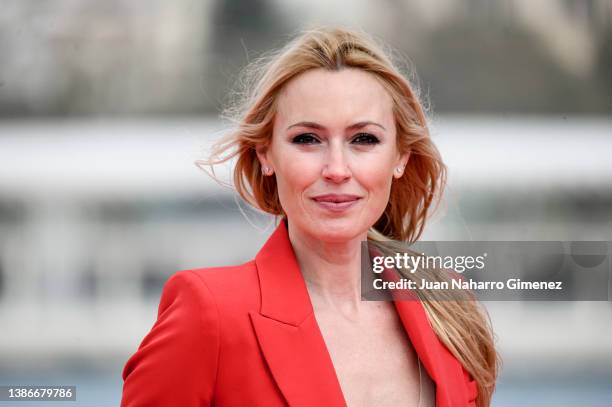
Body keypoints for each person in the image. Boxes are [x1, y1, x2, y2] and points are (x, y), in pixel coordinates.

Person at [120, 26, 499, 407]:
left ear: (400, 156)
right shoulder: (209, 314)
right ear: (265, 154)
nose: (336, 169)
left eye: (363, 139)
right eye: (307, 139)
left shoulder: (446, 303)